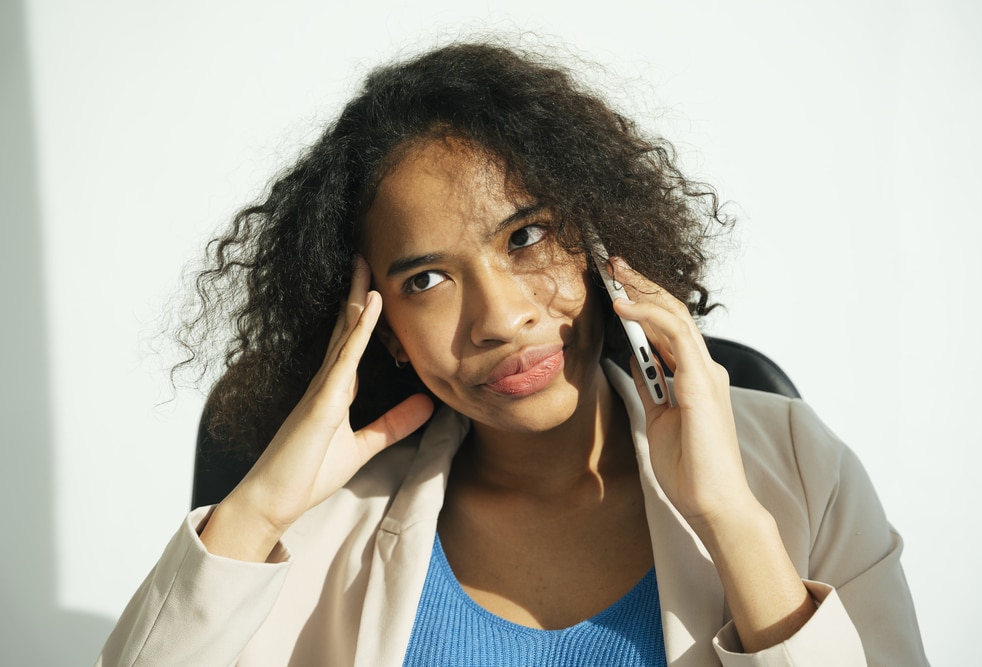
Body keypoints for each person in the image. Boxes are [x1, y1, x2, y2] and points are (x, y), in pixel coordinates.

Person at [97, 42, 928, 666]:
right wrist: (259, 509)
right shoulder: (323, 526)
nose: (500, 317)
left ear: (598, 240)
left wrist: (732, 519)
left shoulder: (798, 466)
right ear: (382, 327)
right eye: (427, 279)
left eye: (526, 237)